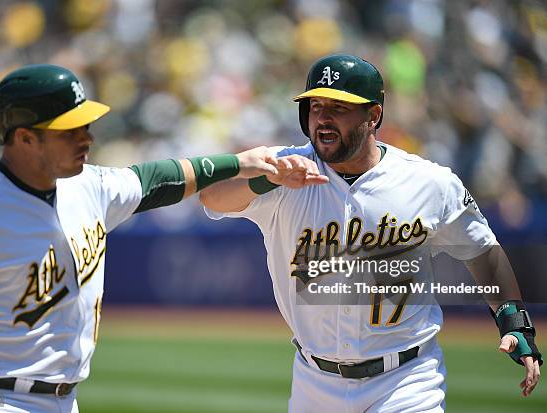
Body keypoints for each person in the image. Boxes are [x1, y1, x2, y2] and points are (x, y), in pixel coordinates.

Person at [0, 63, 328, 413]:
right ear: (24, 138)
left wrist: (240, 164)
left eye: (86, 124)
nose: (86, 136)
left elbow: (155, 181)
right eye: (69, 130)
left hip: (62, 398)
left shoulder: (88, 186)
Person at [200, 54, 542, 412]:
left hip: (406, 380)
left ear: (373, 115)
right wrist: (264, 176)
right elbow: (212, 196)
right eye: (316, 106)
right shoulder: (284, 171)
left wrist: (513, 320)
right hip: (314, 382)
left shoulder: (429, 183)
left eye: (339, 106)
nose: (324, 118)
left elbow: (483, 252)